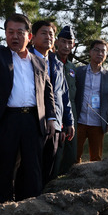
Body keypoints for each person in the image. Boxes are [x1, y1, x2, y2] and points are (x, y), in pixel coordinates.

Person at [0, 6, 57, 204]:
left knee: (31, 169)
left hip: (33, 121)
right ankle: (2, 209)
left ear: (29, 36)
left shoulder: (39, 62)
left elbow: (48, 91)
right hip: (5, 120)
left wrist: (52, 118)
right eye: (10, 32)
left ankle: (30, 208)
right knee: (4, 167)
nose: (14, 36)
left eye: (19, 32)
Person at [29, 20, 74, 184]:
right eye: (43, 33)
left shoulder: (57, 63)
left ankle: (44, 200)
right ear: (32, 37)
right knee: (30, 167)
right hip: (32, 121)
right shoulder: (25, 57)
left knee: (49, 166)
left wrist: (68, 121)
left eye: (51, 34)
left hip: (55, 124)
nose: (48, 37)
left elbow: (64, 95)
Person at [74, 39, 108, 162]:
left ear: (106, 54)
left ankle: (93, 181)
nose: (100, 53)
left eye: (103, 51)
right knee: (74, 155)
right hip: (79, 121)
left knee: (96, 159)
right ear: (90, 52)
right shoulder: (79, 72)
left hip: (98, 123)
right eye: (96, 50)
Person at [54, 25, 78, 175]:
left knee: (71, 154)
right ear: (56, 42)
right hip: (55, 113)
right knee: (55, 155)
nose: (66, 46)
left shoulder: (72, 67)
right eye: (63, 41)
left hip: (71, 115)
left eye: (70, 43)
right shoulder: (49, 61)